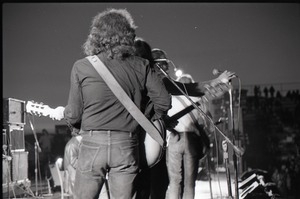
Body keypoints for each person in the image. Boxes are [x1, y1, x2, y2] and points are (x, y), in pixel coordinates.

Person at [51, 9, 171, 199]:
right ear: (128, 35)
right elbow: (164, 102)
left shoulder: (81, 66)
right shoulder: (141, 65)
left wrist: (76, 128)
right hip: (127, 145)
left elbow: (73, 114)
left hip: (92, 144)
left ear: (96, 35)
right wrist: (145, 117)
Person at [166, 74, 214, 199]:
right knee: (189, 183)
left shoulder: (170, 98)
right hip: (191, 140)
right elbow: (208, 124)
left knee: (174, 181)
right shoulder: (198, 99)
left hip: (175, 138)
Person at [63, 129, 82, 196]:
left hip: (73, 177)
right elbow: (73, 162)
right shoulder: (73, 144)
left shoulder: (75, 143)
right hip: (73, 179)